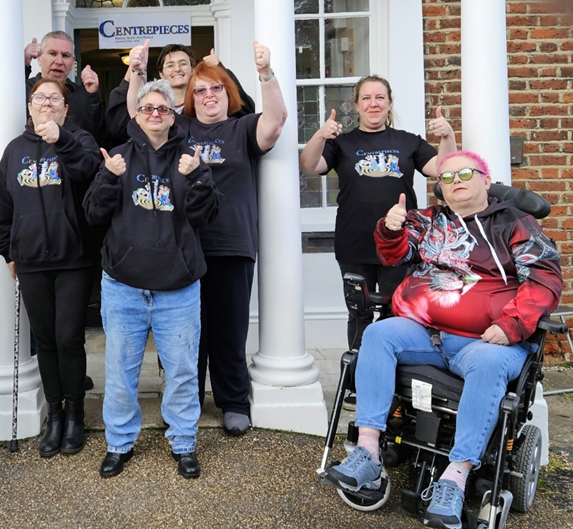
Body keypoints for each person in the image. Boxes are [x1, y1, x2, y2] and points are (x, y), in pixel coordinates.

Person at [321, 150, 562, 529]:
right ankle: (368, 450)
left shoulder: (515, 223)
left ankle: (457, 476)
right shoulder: (431, 220)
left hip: (487, 342)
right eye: (446, 177)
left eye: (465, 173)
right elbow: (394, 253)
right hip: (426, 333)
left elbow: (545, 277)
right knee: (379, 333)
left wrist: (513, 323)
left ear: (486, 179)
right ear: (440, 189)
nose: (456, 181)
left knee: (486, 363)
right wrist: (390, 228)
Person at [124, 40, 287, 436]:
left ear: (227, 93)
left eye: (216, 88)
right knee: (186, 337)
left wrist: (266, 73)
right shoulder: (180, 131)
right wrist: (138, 73)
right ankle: (186, 403)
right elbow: (137, 115)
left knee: (229, 331)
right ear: (191, 99)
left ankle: (233, 401)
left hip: (232, 244)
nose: (208, 95)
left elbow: (275, 122)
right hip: (185, 246)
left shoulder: (241, 128)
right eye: (200, 90)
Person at [84, 79, 223, 479]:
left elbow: (207, 216)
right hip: (124, 285)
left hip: (177, 287)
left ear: (173, 114)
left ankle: (183, 442)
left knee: (181, 370)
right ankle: (119, 442)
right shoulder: (119, 157)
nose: (156, 115)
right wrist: (109, 177)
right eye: (148, 108)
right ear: (137, 114)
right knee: (121, 370)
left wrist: (197, 178)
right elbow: (94, 214)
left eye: (163, 108)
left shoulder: (191, 158)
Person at [298, 75, 457, 352]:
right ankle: (359, 381)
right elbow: (310, 164)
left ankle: (394, 382)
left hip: (401, 244)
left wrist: (447, 135)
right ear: (357, 106)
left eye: (380, 98)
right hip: (354, 244)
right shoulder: (343, 144)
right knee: (359, 314)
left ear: (389, 103)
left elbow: (444, 169)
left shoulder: (408, 142)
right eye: (367, 98)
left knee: (397, 314)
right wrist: (321, 134)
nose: (374, 104)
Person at [0, 79, 102, 457]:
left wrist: (62, 140)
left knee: (69, 337)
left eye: (55, 98)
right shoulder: (13, 150)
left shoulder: (81, 140)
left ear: (65, 109)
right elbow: (2, 205)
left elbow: (88, 170)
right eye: (39, 98)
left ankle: (75, 415)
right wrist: (7, 251)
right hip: (31, 260)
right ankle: (53, 415)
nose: (46, 103)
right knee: (47, 341)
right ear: (30, 106)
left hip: (74, 257)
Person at [105, 41, 255, 145]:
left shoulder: (208, 104)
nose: (177, 69)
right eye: (170, 65)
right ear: (161, 74)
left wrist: (220, 70)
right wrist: (135, 70)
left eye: (183, 64)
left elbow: (247, 112)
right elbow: (129, 116)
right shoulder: (155, 107)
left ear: (193, 70)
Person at [25, 31, 105, 143]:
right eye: (52, 53)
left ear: (72, 63)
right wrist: (23, 66)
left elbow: (99, 137)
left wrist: (93, 96)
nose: (59, 61)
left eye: (65, 56)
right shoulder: (23, 89)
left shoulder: (82, 95)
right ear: (39, 58)